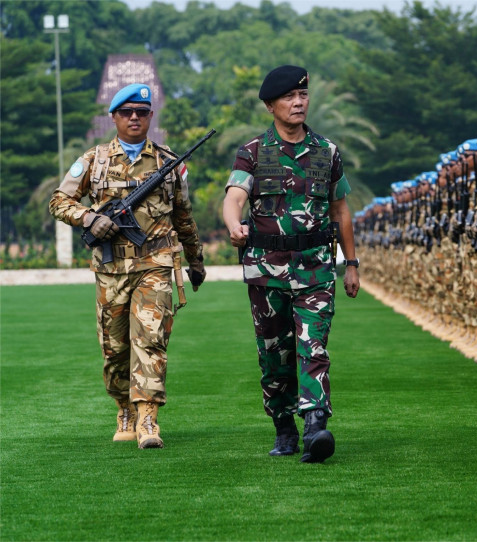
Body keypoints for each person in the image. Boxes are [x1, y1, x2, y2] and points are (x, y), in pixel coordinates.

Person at [49, 83, 206, 449]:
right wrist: (89, 218)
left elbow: (184, 216)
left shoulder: (169, 163)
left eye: (142, 112)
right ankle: (125, 409)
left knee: (150, 341)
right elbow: (59, 200)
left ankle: (148, 419)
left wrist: (195, 261)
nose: (134, 118)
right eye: (127, 113)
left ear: (151, 116)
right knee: (115, 348)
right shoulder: (93, 160)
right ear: (115, 117)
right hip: (110, 269)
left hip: (156, 264)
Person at [222, 65, 359, 464]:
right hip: (267, 272)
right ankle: (284, 428)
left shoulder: (327, 151)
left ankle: (316, 424)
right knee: (274, 355)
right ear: (270, 106)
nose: (298, 102)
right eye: (288, 97)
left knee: (313, 346)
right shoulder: (252, 152)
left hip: (316, 268)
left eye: (302, 96)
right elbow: (234, 197)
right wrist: (233, 224)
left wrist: (351, 262)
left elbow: (340, 209)